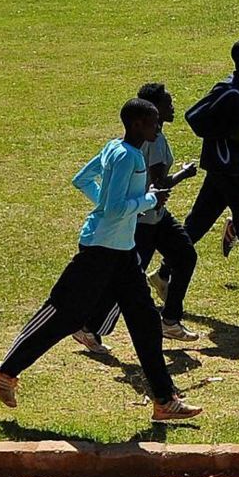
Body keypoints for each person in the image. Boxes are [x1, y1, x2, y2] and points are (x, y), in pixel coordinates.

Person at [0, 97, 203, 422]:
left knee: (145, 322)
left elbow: (83, 180)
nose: (158, 126)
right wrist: (149, 199)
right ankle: (6, 370)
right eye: (152, 121)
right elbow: (116, 207)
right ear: (136, 124)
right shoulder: (130, 157)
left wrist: (106, 204)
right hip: (101, 250)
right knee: (64, 313)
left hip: (121, 251)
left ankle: (164, 399)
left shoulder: (113, 148)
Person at [74, 82, 203, 349]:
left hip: (155, 216)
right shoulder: (148, 145)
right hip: (141, 220)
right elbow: (159, 183)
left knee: (185, 255)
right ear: (148, 116)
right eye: (167, 103)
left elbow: (84, 179)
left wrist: (107, 200)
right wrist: (184, 174)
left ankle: (169, 320)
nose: (172, 106)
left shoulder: (125, 144)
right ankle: (90, 328)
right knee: (129, 280)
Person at [182, 40, 239, 309]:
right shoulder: (228, 89)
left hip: (225, 169)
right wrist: (226, 133)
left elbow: (237, 120)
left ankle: (164, 273)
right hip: (227, 168)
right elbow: (194, 117)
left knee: (198, 222)